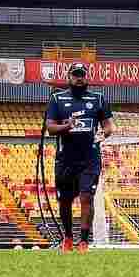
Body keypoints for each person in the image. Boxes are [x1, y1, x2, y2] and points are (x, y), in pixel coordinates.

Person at [45, 62, 115, 253]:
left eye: (82, 74)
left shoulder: (98, 98)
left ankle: (84, 241)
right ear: (69, 77)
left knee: (86, 197)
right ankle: (68, 237)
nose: (79, 78)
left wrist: (105, 133)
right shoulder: (57, 99)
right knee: (65, 200)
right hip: (65, 159)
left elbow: (108, 125)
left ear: (86, 77)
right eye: (75, 75)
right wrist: (68, 126)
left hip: (90, 158)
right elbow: (50, 128)